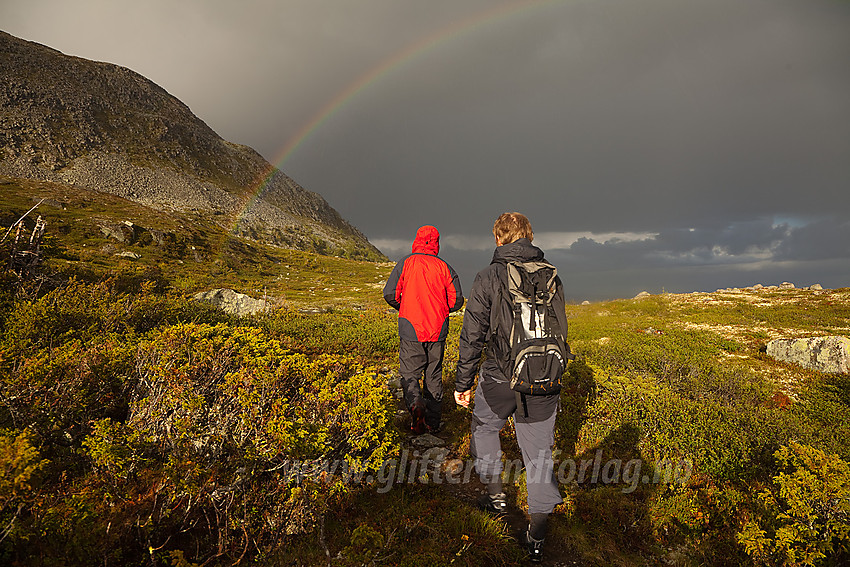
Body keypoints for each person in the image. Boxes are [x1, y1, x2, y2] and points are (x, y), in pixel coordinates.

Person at [454, 212, 567, 563]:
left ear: (498, 239)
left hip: (500, 376)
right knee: (539, 457)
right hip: (545, 380)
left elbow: (473, 334)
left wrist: (463, 382)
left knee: (485, 427)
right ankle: (537, 537)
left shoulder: (488, 276)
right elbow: (561, 329)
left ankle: (496, 497)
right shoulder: (551, 274)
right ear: (530, 237)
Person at [383, 225, 464, 434]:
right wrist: (441, 309)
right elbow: (456, 301)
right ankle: (434, 422)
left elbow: (390, 294)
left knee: (409, 373)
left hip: (410, 327)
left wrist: (405, 306)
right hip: (437, 329)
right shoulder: (445, 267)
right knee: (434, 374)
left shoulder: (406, 263)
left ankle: (415, 405)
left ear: (417, 240)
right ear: (437, 242)